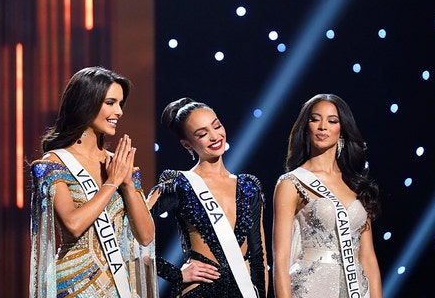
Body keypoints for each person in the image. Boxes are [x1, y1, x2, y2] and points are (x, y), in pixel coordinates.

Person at [29, 66, 158, 298]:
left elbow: (146, 236)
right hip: (74, 285)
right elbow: (73, 224)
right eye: (110, 102)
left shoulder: (118, 165)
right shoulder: (54, 163)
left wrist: (127, 184)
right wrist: (112, 183)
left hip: (119, 286)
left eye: (120, 104)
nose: (118, 111)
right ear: (86, 103)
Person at [147, 97, 268, 297]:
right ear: (187, 144)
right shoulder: (179, 184)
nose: (214, 136)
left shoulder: (248, 186)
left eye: (217, 126)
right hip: (201, 292)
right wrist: (175, 273)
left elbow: (257, 257)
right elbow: (129, 234)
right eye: (202, 134)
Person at [272, 93, 382, 298]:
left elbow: (367, 257)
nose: (323, 126)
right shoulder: (291, 183)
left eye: (332, 121)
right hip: (311, 288)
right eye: (315, 119)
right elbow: (281, 260)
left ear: (342, 130)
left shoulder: (356, 183)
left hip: (356, 288)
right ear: (306, 128)